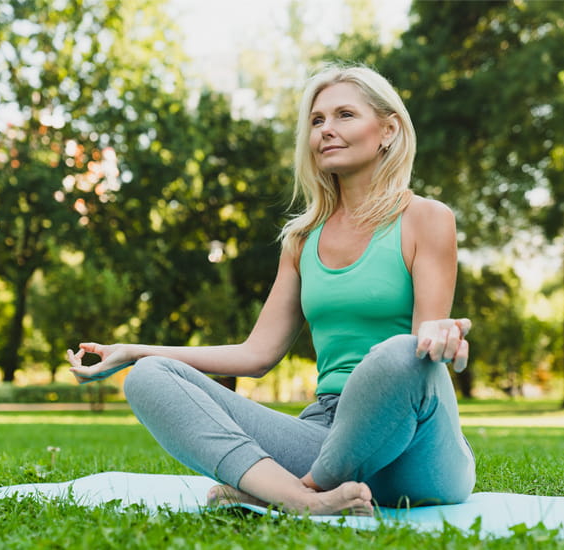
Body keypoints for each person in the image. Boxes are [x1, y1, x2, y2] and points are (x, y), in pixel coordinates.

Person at [67, 64, 476, 516]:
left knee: (402, 352)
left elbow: (423, 348)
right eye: (317, 121)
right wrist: (134, 351)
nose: (326, 130)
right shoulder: (302, 238)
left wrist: (441, 335)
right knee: (150, 375)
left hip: (415, 448)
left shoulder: (426, 218)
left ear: (388, 129)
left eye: (344, 115)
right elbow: (256, 355)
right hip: (324, 433)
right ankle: (303, 500)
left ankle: (290, 491)